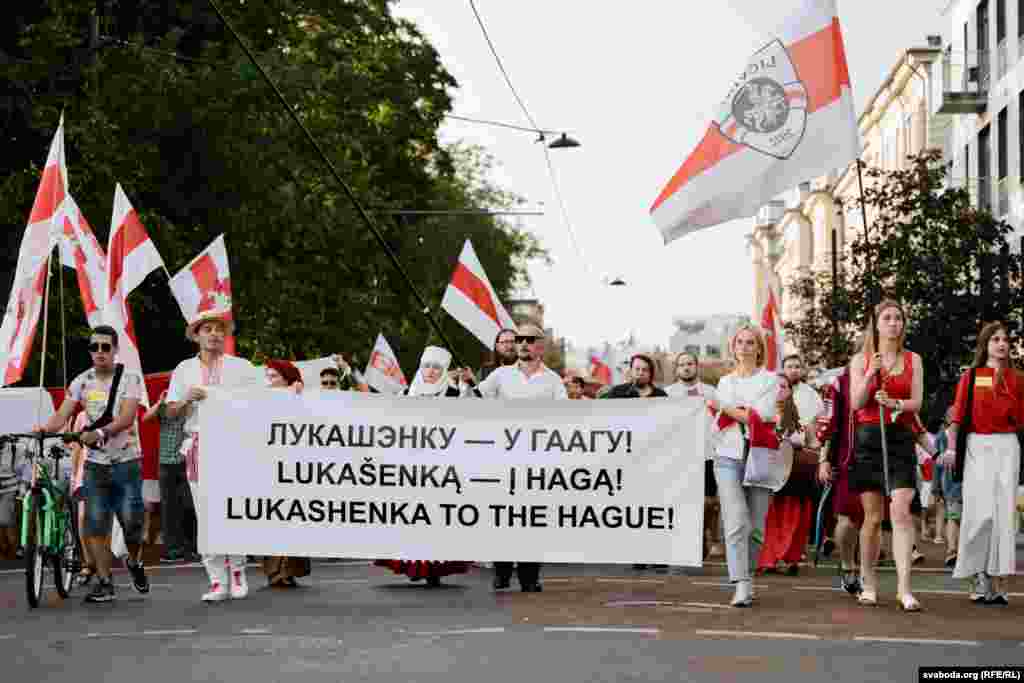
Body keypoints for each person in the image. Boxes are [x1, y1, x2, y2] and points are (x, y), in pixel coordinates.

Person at [35, 325, 150, 603]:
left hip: (126, 462)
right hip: (95, 464)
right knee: (94, 525)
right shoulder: (81, 381)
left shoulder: (130, 379)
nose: (99, 352)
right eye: (94, 347)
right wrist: (44, 429)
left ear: (115, 350)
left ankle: (134, 561)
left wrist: (98, 433)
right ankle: (105, 582)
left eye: (105, 347)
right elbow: (62, 415)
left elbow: (126, 418)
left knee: (132, 525)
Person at [165, 309, 264, 602]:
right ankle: (217, 579)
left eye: (219, 329)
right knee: (206, 513)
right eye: (207, 329)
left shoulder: (242, 367)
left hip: (234, 445)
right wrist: (187, 398)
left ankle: (238, 571)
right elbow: (170, 411)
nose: (214, 334)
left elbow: (269, 395)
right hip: (199, 444)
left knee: (234, 507)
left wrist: (294, 387)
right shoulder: (184, 369)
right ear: (196, 335)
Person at [462, 323, 568, 592]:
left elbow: (566, 418)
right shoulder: (501, 375)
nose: (522, 343)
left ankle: (529, 576)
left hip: (537, 460)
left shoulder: (553, 381)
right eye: (519, 339)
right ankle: (502, 572)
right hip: (502, 458)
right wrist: (468, 384)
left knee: (532, 518)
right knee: (502, 516)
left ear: (540, 346)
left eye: (529, 339)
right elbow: (474, 400)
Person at [849, 299, 925, 611]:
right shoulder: (861, 359)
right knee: (873, 517)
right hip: (869, 438)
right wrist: (871, 374)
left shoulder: (914, 359)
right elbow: (856, 402)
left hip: (900, 438)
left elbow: (917, 402)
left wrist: (895, 403)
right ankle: (868, 583)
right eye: (887, 318)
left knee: (901, 510)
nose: (894, 323)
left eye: (898, 318)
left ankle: (904, 589)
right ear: (877, 325)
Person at [375, 347, 471, 587]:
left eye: (436, 367)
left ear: (444, 370)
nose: (430, 371)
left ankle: (434, 568)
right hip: (412, 467)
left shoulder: (455, 395)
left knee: (437, 520)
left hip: (443, 468)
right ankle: (414, 565)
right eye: (427, 366)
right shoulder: (406, 393)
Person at [946, 322, 1023, 605]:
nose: (1001, 344)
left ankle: (999, 579)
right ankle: (979, 575)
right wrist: (951, 449)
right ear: (985, 345)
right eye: (995, 339)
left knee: (1004, 515)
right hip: (977, 446)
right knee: (980, 513)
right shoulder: (971, 376)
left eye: (1005, 339)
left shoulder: (1018, 378)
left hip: (1008, 446)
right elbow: (957, 418)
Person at [706, 324, 782, 607]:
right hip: (727, 454)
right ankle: (740, 581)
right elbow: (739, 415)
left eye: (750, 342)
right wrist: (741, 412)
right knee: (736, 520)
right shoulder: (725, 381)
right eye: (740, 342)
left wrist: (727, 408)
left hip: (760, 454)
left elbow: (761, 415)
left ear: (759, 348)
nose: (745, 346)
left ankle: (749, 575)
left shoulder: (770, 380)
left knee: (756, 527)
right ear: (733, 347)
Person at [758, 355, 823, 576]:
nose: (782, 390)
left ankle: (789, 557)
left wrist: (821, 455)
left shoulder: (804, 403)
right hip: (769, 470)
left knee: (795, 514)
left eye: (797, 366)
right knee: (771, 516)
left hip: (796, 469)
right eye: (789, 367)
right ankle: (770, 558)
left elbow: (813, 438)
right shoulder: (762, 410)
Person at [261, 359, 312, 587]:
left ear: (287, 379)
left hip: (294, 468)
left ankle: (287, 569)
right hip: (269, 467)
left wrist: (297, 397)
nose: (269, 381)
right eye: (268, 376)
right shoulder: (260, 400)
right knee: (273, 518)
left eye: (274, 376)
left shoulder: (301, 398)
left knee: (292, 517)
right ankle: (276, 571)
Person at [665, 352, 720, 559]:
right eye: (682, 365)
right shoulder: (668, 393)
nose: (686, 367)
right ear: (677, 369)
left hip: (707, 454)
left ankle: (704, 533)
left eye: (690, 364)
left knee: (709, 502)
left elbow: (721, 420)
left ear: (697, 366)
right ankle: (687, 538)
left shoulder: (712, 392)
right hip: (679, 456)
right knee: (681, 500)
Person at [817, 364, 865, 596]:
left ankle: (866, 574)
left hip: (880, 458)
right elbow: (828, 422)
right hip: (847, 459)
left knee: (872, 520)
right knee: (847, 519)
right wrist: (824, 459)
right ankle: (847, 565)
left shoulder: (888, 377)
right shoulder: (839, 383)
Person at [142, 389, 194, 565]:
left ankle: (191, 548)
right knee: (169, 509)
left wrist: (186, 401)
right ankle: (173, 549)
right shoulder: (163, 408)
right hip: (166, 464)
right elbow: (146, 418)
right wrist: (159, 402)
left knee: (189, 506)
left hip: (186, 462)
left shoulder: (189, 407)